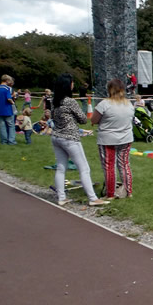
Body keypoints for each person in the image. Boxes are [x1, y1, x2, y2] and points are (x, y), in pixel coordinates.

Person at [50, 73, 108, 207]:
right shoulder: (70, 102)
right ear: (67, 86)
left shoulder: (54, 101)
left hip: (56, 136)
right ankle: (93, 198)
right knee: (84, 168)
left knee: (60, 167)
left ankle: (61, 197)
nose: (73, 85)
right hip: (70, 138)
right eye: (71, 83)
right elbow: (83, 119)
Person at [91, 79, 135, 199]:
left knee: (109, 166)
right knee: (124, 165)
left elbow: (93, 120)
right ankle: (128, 191)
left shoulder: (104, 104)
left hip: (107, 139)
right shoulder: (129, 104)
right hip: (126, 138)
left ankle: (110, 193)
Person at [0, 74, 16, 145]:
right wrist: (12, 103)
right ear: (7, 80)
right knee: (11, 125)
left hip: (0, 109)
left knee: (2, 126)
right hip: (8, 109)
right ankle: (11, 141)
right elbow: (9, 98)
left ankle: (4, 141)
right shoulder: (7, 88)